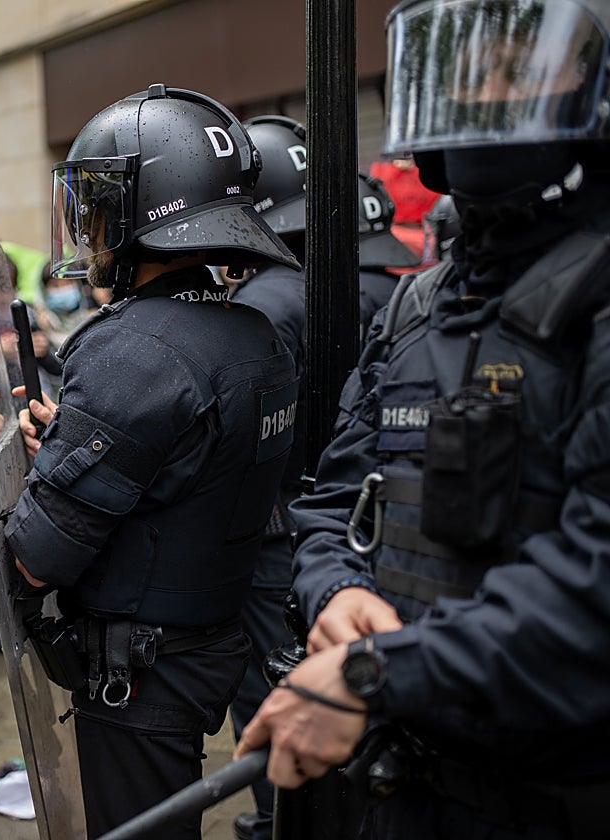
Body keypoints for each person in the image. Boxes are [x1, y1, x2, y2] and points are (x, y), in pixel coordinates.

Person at [235, 2, 610, 837]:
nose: (483, 94)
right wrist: (335, 591)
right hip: (400, 787)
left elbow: (596, 591)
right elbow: (330, 501)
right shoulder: (419, 303)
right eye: (466, 70)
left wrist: (372, 672)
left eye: (517, 69)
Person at [4, 83, 299, 839]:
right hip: (209, 643)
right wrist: (74, 447)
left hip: (139, 675)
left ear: (151, 211)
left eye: (102, 203)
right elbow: (180, 473)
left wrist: (43, 481)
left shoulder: (131, 348)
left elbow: (37, 559)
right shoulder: (252, 330)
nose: (90, 224)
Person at [227, 116, 418, 840]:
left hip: (288, 537)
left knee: (278, 706)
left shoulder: (269, 298)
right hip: (350, 533)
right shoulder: (359, 282)